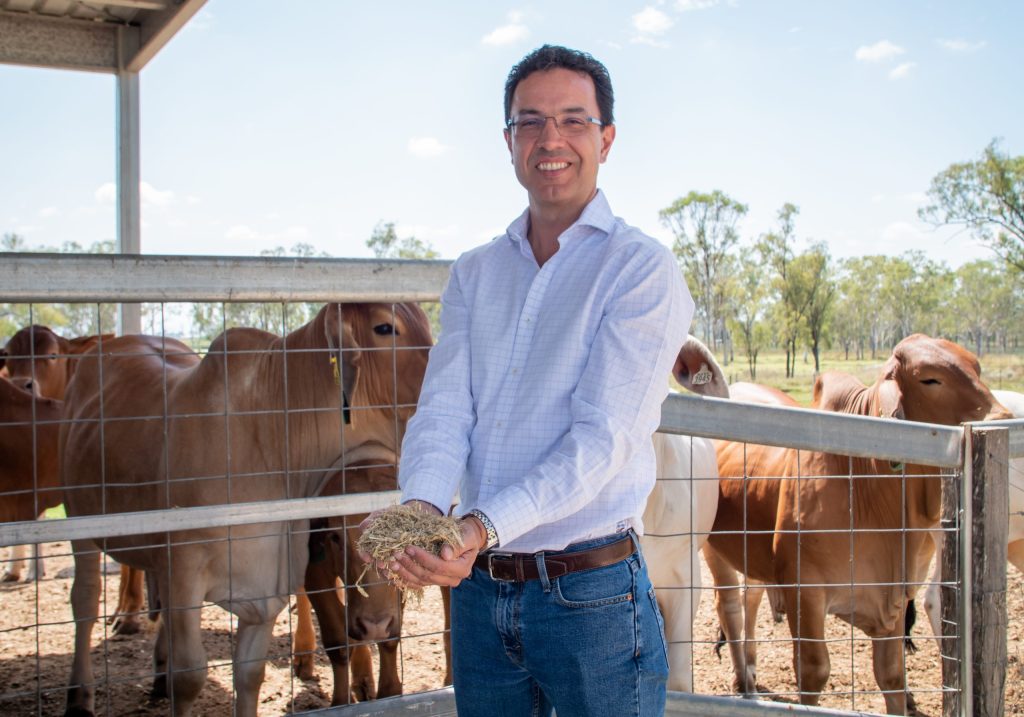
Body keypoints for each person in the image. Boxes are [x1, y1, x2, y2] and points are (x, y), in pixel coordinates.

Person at [364, 44, 694, 716]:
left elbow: (601, 439)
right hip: (482, 595)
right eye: (530, 121)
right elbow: (444, 406)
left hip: (591, 597)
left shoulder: (639, 271)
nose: (551, 140)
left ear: (606, 138)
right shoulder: (477, 272)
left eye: (574, 120)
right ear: (508, 139)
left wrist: (480, 526)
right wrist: (423, 508)